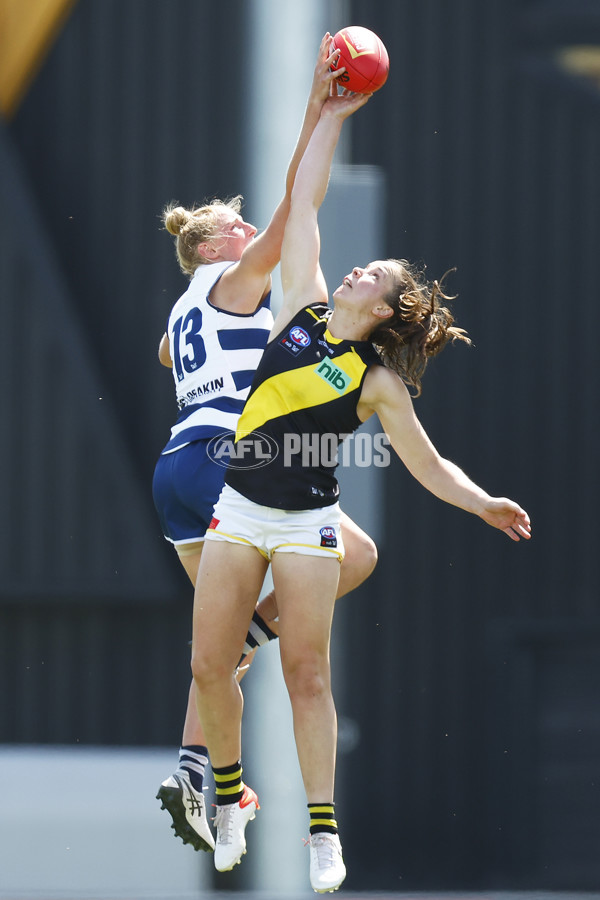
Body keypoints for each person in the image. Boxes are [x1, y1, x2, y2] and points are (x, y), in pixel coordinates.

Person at [189, 82, 532, 893]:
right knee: (210, 668)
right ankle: (230, 800)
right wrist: (331, 116)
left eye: (370, 275)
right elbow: (302, 199)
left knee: (307, 676)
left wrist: (481, 501)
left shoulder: (375, 382)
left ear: (383, 310)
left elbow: (427, 465)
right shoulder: (299, 308)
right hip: (238, 511)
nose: (354, 270)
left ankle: (321, 833)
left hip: (308, 526)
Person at [152, 35, 378, 855]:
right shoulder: (226, 277)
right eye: (235, 227)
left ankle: (198, 763)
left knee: (231, 635)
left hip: (177, 467)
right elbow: (293, 212)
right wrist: (322, 114)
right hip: (227, 458)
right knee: (351, 557)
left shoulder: (183, 312)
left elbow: (174, 360)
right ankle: (207, 759)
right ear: (211, 247)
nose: (250, 231)